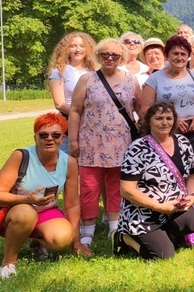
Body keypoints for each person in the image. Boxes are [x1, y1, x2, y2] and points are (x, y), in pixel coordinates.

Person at [0, 113, 91, 279]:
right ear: (35, 137)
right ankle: (9, 262)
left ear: (62, 137)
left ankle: (35, 241)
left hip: (46, 211)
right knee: (26, 213)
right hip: (15, 211)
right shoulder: (21, 156)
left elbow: (72, 204)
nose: (49, 139)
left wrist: (77, 242)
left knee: (62, 238)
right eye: (43, 135)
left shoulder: (69, 162)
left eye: (56, 135)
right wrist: (27, 200)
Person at [69, 38, 141, 248]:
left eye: (115, 55)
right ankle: (87, 229)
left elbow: (142, 109)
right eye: (105, 55)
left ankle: (114, 226)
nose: (110, 58)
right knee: (89, 187)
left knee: (116, 187)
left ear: (122, 58)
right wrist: (73, 140)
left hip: (121, 144)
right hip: (91, 144)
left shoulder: (131, 80)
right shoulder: (87, 79)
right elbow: (75, 111)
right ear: (98, 56)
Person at [115, 102, 194, 259]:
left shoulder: (183, 142)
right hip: (143, 211)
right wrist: (160, 207)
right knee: (163, 255)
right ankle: (125, 238)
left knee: (192, 221)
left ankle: (163, 235)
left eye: (169, 118)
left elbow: (192, 175)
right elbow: (127, 190)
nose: (164, 122)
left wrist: (193, 196)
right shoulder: (137, 148)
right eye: (159, 118)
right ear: (149, 121)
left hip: (173, 207)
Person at [141, 35, 194, 156]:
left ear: (188, 56)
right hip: (168, 133)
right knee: (174, 170)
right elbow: (145, 110)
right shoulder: (154, 79)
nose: (179, 57)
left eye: (183, 54)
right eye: (175, 53)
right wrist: (173, 121)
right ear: (167, 55)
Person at [48, 31, 97, 153]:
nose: (77, 49)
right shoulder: (59, 71)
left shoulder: (96, 71)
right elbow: (59, 103)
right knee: (67, 163)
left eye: (82, 46)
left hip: (94, 125)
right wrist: (81, 115)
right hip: (69, 124)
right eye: (73, 46)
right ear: (66, 49)